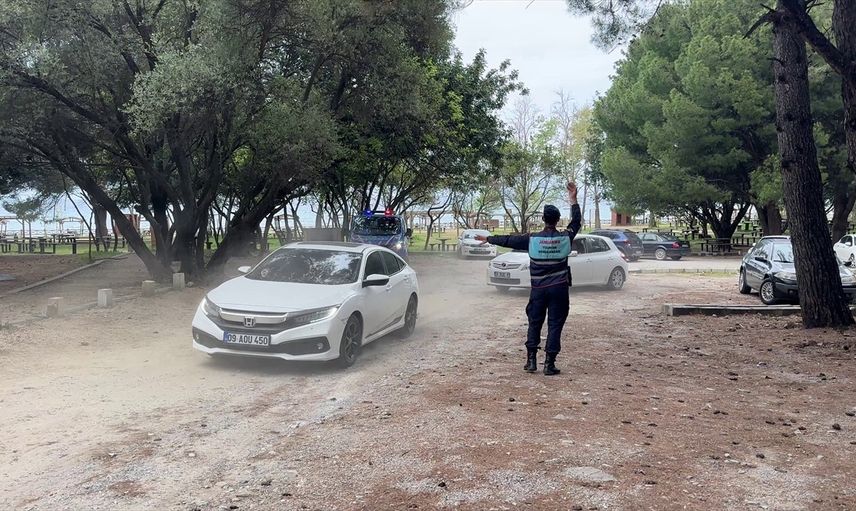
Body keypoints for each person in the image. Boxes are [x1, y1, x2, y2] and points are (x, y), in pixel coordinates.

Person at [475, 182, 581, 375]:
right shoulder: (565, 238)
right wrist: (573, 200)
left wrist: (489, 239)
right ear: (557, 220)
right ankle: (549, 364)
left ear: (543, 219)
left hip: (538, 290)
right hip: (559, 289)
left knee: (534, 322)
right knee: (555, 324)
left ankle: (531, 361)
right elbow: (576, 222)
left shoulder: (532, 239)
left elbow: (509, 240)